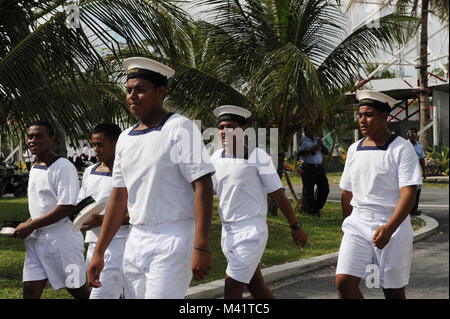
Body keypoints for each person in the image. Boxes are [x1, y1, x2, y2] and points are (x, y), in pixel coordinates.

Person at [87, 57, 215, 299]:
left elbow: (203, 185)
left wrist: (201, 245)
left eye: (140, 90)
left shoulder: (180, 128)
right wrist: (99, 252)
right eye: (129, 90)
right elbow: (118, 196)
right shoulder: (124, 138)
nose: (132, 96)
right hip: (136, 239)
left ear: (160, 92)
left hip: (173, 237)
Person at [210, 105, 308, 299]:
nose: (224, 132)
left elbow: (278, 194)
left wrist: (295, 226)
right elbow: (205, 192)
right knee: (256, 287)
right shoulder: (215, 158)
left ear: (243, 130)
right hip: (227, 233)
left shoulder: (258, 157)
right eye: (221, 127)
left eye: (230, 126)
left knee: (231, 288)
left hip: (250, 233)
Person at [335, 90, 422, 299]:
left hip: (392, 225)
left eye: (369, 114)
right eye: (360, 115)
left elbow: (408, 193)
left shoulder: (402, 149)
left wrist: (390, 228)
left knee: (392, 291)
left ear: (385, 116)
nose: (363, 120)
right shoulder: (354, 149)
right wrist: (347, 225)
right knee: (344, 283)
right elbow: (347, 191)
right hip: (358, 223)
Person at [12, 120, 90, 299]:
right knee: (30, 290)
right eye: (30, 136)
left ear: (52, 139)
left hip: (63, 242)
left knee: (76, 289)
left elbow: (66, 207)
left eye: (39, 136)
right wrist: (29, 223)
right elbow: (41, 206)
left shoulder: (63, 167)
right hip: (36, 242)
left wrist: (32, 225)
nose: (33, 140)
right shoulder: (35, 168)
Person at [78, 123, 130, 299]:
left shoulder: (129, 173)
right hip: (93, 243)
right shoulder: (89, 172)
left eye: (101, 144)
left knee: (100, 295)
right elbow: (82, 203)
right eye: (94, 144)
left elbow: (139, 212)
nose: (96, 149)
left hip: (119, 243)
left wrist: (103, 220)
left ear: (116, 143)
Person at [297, 123, 330, 217]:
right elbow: (299, 153)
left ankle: (317, 208)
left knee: (324, 189)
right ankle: (311, 212)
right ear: (304, 131)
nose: (311, 131)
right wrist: (310, 149)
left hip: (319, 167)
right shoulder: (302, 141)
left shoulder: (318, 140)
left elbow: (326, 152)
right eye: (309, 129)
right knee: (309, 191)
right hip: (307, 167)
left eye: (312, 129)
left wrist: (321, 145)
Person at [407, 127, 426, 216]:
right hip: (407, 171)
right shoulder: (404, 145)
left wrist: (424, 171)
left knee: (417, 190)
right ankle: (409, 209)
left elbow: (422, 159)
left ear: (416, 135)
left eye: (412, 134)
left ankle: (415, 209)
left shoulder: (419, 146)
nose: (411, 136)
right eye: (409, 134)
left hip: (416, 170)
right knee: (408, 190)